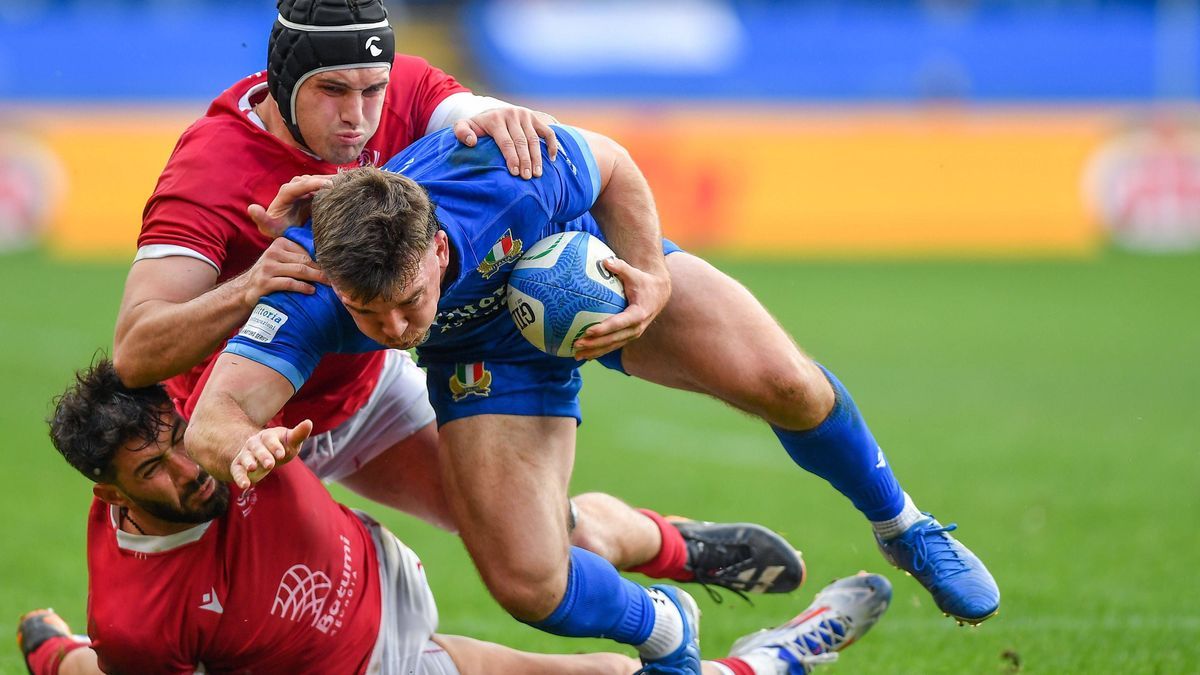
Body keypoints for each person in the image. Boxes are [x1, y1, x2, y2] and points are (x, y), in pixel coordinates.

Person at [185, 123, 999, 673]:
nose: (396, 328)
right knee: (527, 583)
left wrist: (650, 276)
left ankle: (905, 525)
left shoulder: (497, 174)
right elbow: (215, 414)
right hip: (484, 357)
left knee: (785, 381)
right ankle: (667, 622)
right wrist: (240, 445)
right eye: (370, 314)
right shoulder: (310, 283)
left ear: (437, 247)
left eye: (408, 300)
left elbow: (611, 163)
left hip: (591, 269)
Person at [110, 0, 805, 596]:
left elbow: (479, 121)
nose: (358, 117)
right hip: (245, 426)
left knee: (534, 548)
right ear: (286, 78)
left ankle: (675, 549)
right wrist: (251, 286)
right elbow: (136, 352)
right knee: (248, 630)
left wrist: (508, 120)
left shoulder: (399, 90)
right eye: (333, 91)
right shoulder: (210, 168)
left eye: (370, 90)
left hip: (369, 385)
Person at [18, 359, 892, 675]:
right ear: (112, 495)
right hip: (378, 665)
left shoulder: (217, 413)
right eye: (154, 472)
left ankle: (660, 544)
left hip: (377, 551)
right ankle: (777, 656)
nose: (189, 468)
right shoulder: (138, 611)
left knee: (543, 542)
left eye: (177, 440)